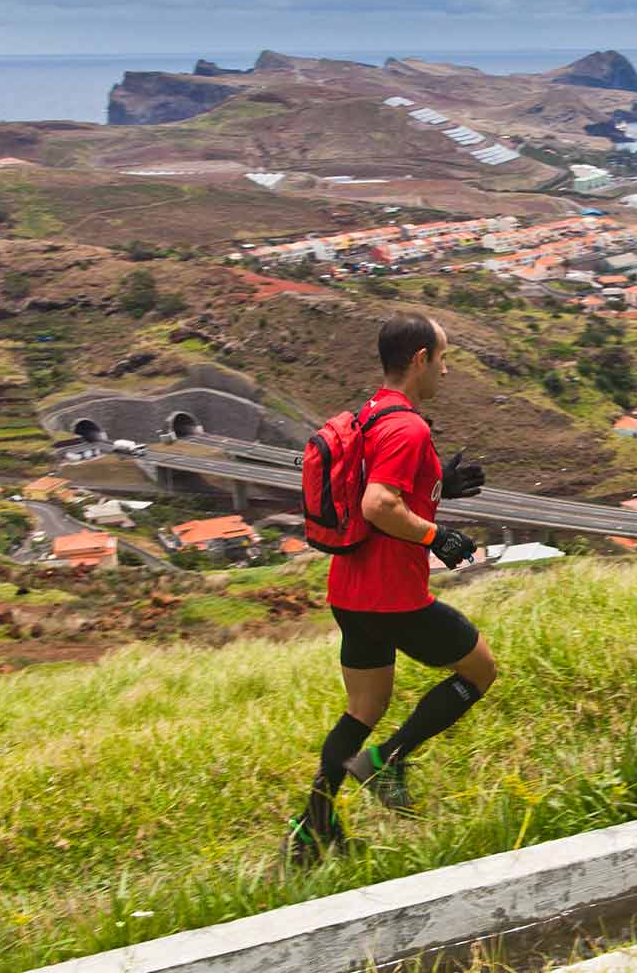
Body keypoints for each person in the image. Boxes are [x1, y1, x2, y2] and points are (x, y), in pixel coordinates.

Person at [285, 313, 495, 866]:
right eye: (443, 359)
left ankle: (312, 829)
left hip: (349, 592)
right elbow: (377, 504)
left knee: (363, 708)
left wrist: (437, 488)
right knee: (480, 670)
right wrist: (437, 534)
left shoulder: (371, 414)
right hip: (393, 595)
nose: (446, 372)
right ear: (420, 358)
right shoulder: (409, 427)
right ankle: (388, 761)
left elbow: (380, 486)